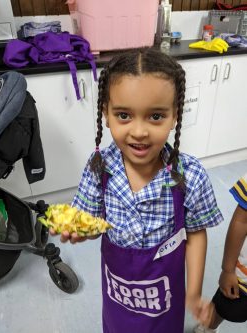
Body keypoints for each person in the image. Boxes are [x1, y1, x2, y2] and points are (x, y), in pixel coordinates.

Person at [51, 48, 223, 333]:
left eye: (156, 116)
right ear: (106, 114)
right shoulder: (99, 168)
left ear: (174, 116)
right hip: (118, 300)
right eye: (124, 115)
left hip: (164, 305)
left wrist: (193, 293)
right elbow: (92, 224)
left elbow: (195, 235)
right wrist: (81, 230)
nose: (140, 131)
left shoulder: (190, 176)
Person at [194, 174, 247, 333]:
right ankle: (208, 328)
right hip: (243, 276)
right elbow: (241, 221)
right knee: (227, 305)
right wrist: (228, 269)